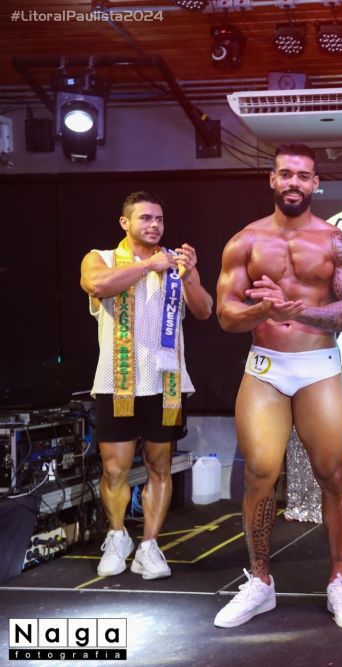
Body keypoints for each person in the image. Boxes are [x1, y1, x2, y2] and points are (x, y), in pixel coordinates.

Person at [213, 144, 342, 629]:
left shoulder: (339, 244)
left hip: (318, 367)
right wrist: (263, 310)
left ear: (316, 183)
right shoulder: (245, 241)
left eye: (303, 175)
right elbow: (225, 316)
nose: (294, 183)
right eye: (286, 174)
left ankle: (339, 580)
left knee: (333, 476)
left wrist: (299, 311)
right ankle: (260, 581)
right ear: (272, 180)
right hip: (266, 368)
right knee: (260, 473)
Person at [80, 191, 213, 581]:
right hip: (116, 381)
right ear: (125, 222)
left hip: (164, 383)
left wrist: (188, 276)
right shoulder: (101, 257)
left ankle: (150, 545)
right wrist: (147, 266)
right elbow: (96, 285)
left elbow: (204, 310)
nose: (154, 225)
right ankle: (117, 535)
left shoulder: (175, 263)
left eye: (159, 219)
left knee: (160, 466)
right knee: (115, 469)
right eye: (145, 218)